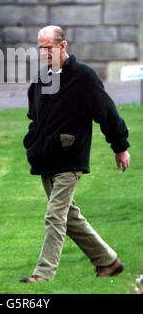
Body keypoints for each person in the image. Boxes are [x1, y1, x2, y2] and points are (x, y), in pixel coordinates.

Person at [20, 25, 131, 283]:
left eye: (49, 46)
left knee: (55, 216)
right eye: (41, 47)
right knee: (69, 216)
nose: (45, 52)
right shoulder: (40, 80)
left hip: (70, 160)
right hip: (45, 160)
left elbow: (108, 112)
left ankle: (43, 275)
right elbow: (35, 118)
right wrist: (32, 143)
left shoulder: (83, 77)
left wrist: (120, 147)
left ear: (63, 46)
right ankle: (109, 262)